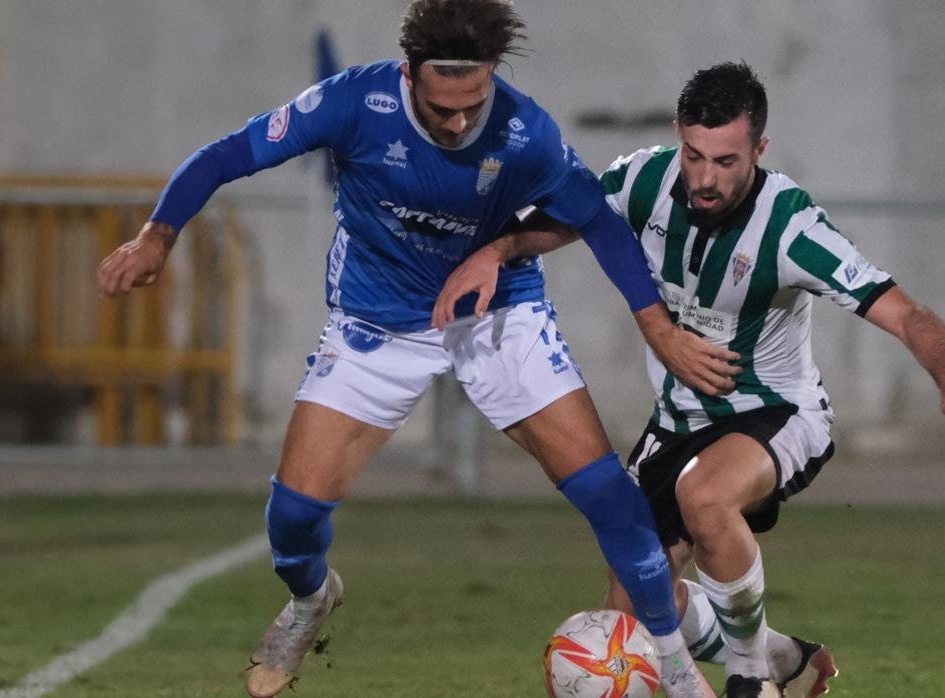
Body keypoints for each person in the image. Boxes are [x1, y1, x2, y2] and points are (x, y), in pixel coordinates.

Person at [96, 2, 738, 696]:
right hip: (378, 321)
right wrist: (158, 235)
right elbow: (225, 155)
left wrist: (660, 330)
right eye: (442, 109)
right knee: (293, 521)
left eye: (473, 104)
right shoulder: (352, 103)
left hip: (499, 317)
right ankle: (312, 599)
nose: (460, 123)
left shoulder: (527, 132)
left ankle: (679, 675)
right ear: (409, 77)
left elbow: (600, 225)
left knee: (610, 497)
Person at [435, 61, 945, 698]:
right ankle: (784, 655)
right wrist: (496, 250)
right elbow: (568, 217)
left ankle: (746, 675)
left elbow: (906, 313)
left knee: (705, 499)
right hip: (678, 421)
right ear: (679, 135)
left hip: (776, 414)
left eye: (727, 161)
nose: (705, 178)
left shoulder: (791, 226)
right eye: (695, 155)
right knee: (637, 606)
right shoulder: (645, 179)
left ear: (759, 149)